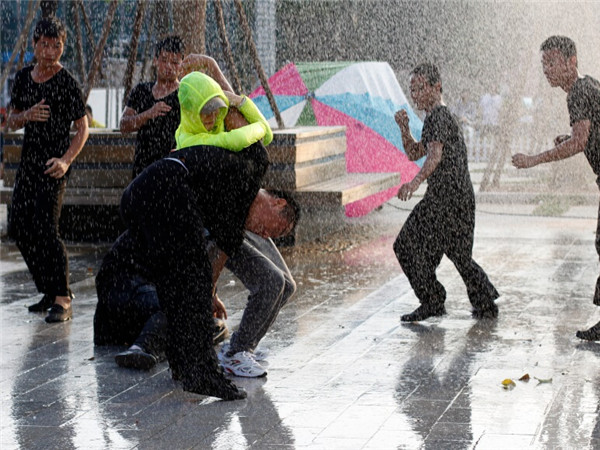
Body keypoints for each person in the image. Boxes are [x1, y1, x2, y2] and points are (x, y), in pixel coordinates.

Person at [101, 69, 272, 400]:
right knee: (190, 286)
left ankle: (185, 366)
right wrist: (239, 103)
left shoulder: (216, 150)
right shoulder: (250, 162)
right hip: (163, 193)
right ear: (276, 203)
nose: (217, 120)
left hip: (140, 194)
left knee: (176, 286)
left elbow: (262, 132)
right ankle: (201, 373)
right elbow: (264, 135)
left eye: (221, 114)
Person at [94, 189, 299, 376]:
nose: (265, 236)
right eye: (276, 231)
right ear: (278, 203)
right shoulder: (222, 201)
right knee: (186, 307)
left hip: (153, 282)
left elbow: (204, 260)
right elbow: (197, 264)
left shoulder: (230, 207)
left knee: (215, 324)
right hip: (126, 284)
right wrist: (204, 295)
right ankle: (143, 347)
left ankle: (239, 348)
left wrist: (211, 294)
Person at [393, 62, 499, 322]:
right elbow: (415, 153)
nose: (415, 95)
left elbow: (434, 156)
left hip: (447, 198)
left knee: (406, 245)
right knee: (457, 253)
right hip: (453, 197)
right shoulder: (433, 117)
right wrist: (404, 129)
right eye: (412, 90)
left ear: (436, 87)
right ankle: (482, 300)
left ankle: (433, 299)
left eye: (420, 89)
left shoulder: (440, 116)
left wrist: (414, 183)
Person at [512, 36, 600, 341]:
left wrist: (533, 160)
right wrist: (570, 136)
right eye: (544, 64)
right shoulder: (588, 85)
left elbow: (580, 143)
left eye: (552, 62)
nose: (547, 70)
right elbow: (585, 133)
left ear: (571, 61)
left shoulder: (578, 92)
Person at [7, 17, 89, 323]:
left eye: (57, 45)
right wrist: (26, 115)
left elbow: (83, 130)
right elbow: (11, 121)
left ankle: (62, 297)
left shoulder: (67, 82)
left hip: (54, 166)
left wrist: (66, 160)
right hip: (29, 164)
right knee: (18, 226)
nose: (51, 50)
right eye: (45, 44)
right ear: (34, 45)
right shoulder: (23, 78)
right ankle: (47, 288)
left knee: (46, 228)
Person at [119, 35, 185, 179]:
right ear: (155, 60)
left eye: (174, 62)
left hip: (173, 169)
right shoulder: (141, 90)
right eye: (164, 60)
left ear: (182, 65)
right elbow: (124, 125)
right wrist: (148, 113)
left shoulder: (185, 94)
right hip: (142, 169)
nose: (168, 66)